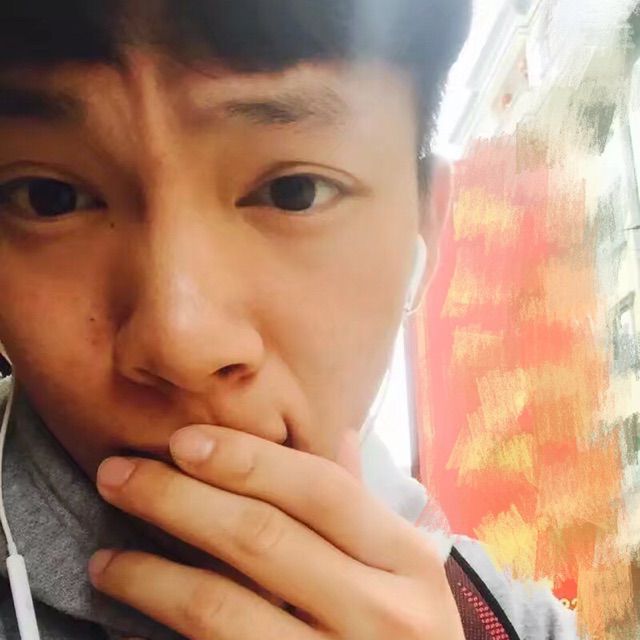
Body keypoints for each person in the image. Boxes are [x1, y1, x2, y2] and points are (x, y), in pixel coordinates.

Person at [0, 1, 577, 638]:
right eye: (48, 199)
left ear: (425, 227)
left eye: (293, 192)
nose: (180, 341)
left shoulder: (517, 625)